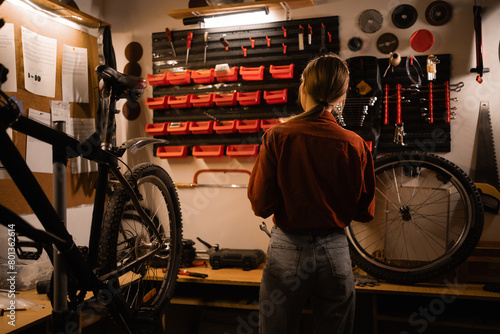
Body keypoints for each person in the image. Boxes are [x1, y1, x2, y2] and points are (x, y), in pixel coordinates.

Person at [247, 53, 376, 334]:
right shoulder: (355, 144)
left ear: (303, 87)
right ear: (341, 96)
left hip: (286, 247)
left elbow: (260, 204)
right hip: (335, 248)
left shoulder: (277, 136)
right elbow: (365, 212)